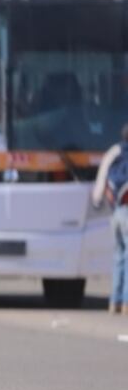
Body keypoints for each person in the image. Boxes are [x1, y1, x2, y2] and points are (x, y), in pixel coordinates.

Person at [91, 123, 128, 314]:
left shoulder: (114, 152)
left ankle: (115, 301)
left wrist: (96, 200)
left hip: (115, 212)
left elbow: (102, 176)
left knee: (119, 257)